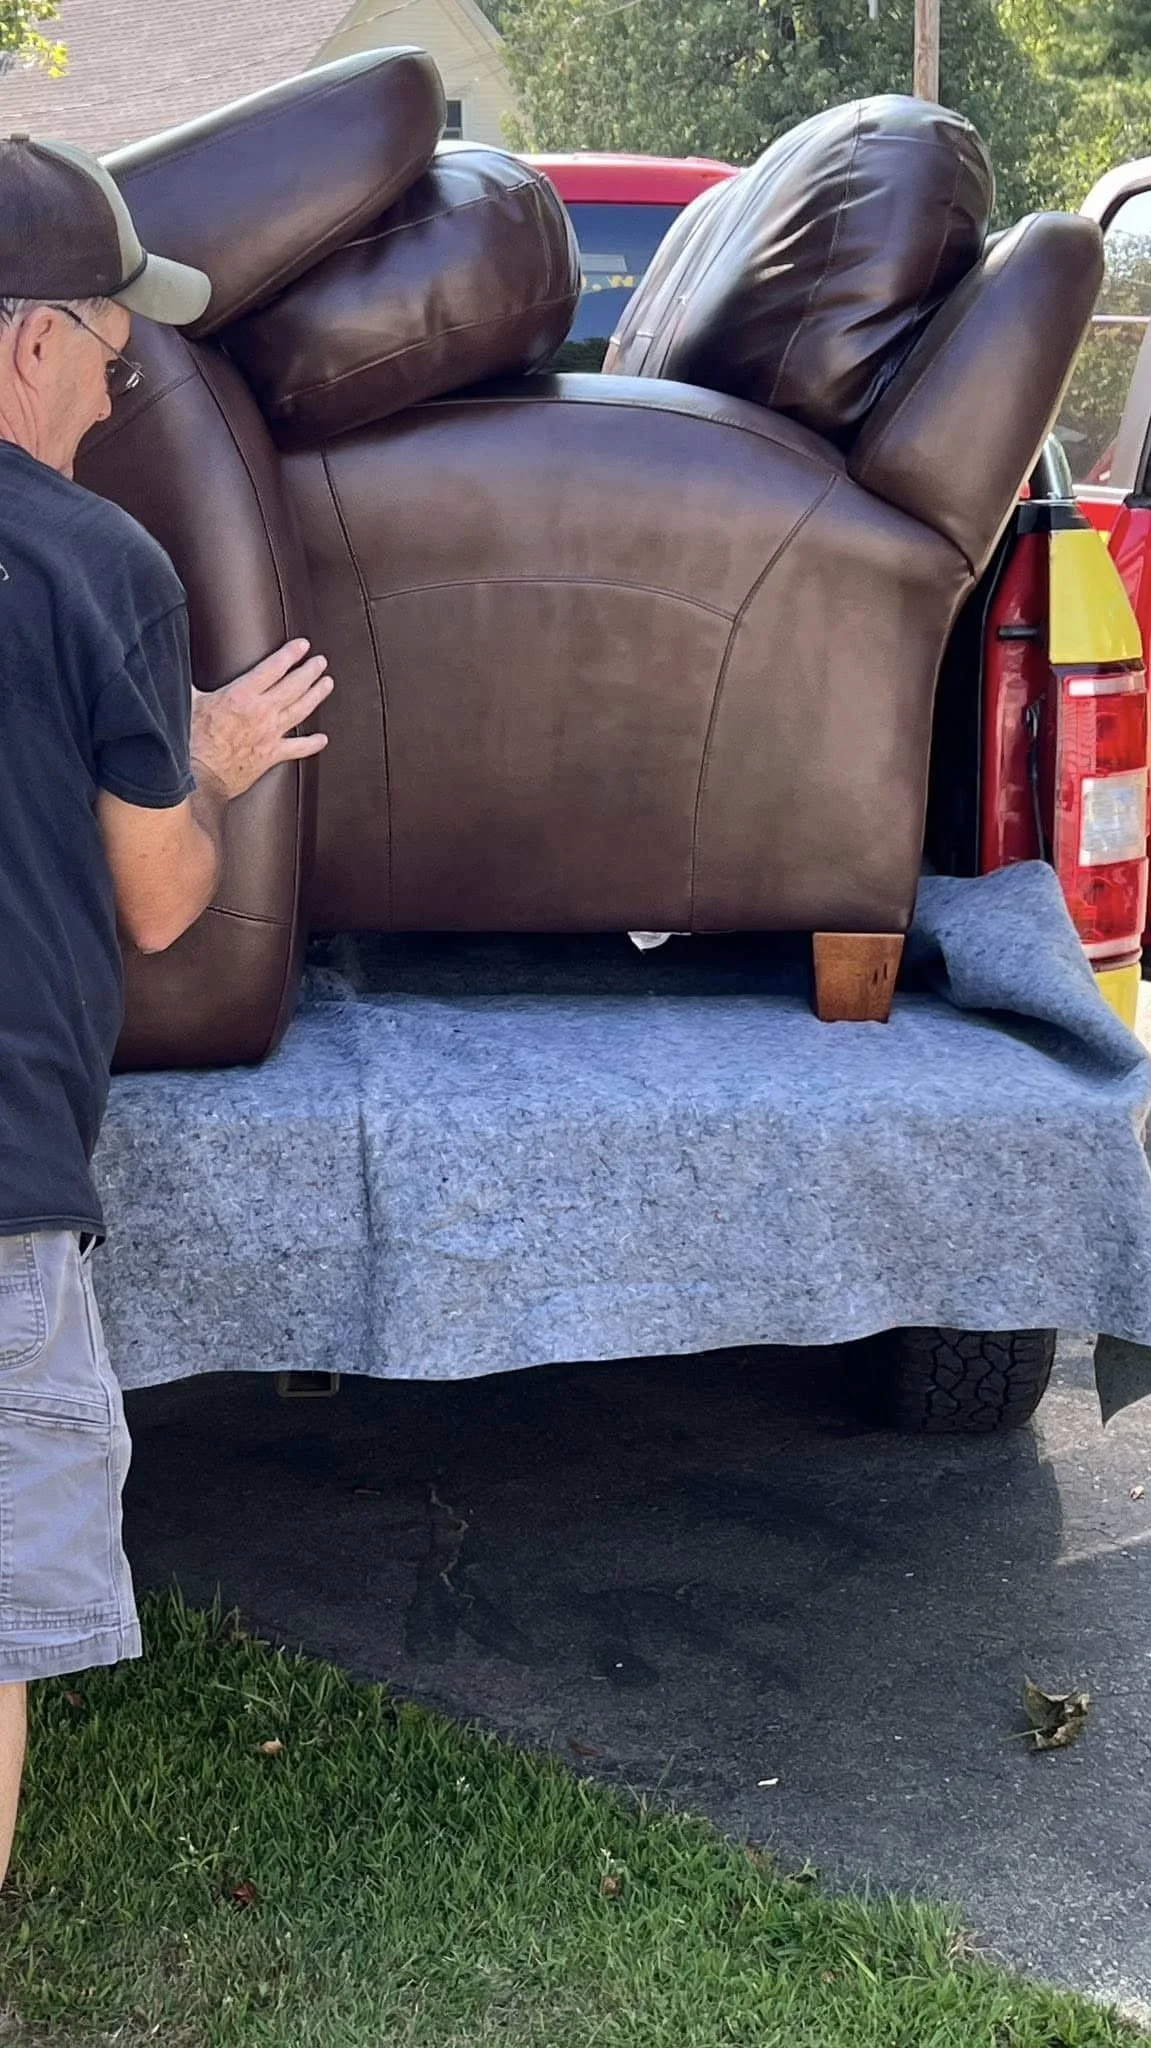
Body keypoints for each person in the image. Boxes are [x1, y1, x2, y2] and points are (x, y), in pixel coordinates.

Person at [0, 134, 334, 1888]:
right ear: (25, 341)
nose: (119, 391)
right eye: (110, 356)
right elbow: (158, 901)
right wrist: (200, 759)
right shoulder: (90, 563)